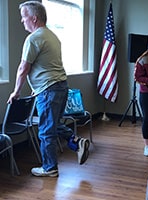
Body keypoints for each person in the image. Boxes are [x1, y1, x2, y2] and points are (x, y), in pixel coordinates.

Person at [7, 1, 90, 177]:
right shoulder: (52, 36)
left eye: (24, 17)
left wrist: (16, 91)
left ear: (34, 18)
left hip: (49, 90)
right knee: (54, 124)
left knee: (45, 130)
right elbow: (47, 65)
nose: (22, 21)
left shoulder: (34, 38)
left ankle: (49, 167)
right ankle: (76, 141)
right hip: (60, 86)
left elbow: (23, 68)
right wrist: (36, 87)